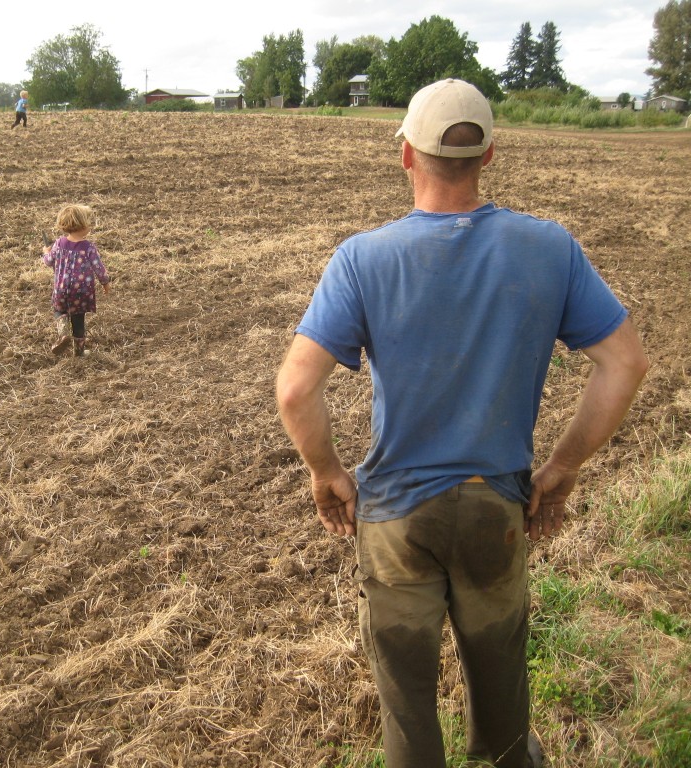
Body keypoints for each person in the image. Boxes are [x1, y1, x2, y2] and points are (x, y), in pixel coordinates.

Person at [275, 79, 648, 768]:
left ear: (406, 157)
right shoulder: (550, 249)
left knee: (409, 712)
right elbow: (624, 364)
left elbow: (297, 388)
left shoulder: (363, 258)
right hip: (496, 507)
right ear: (490, 155)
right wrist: (560, 470)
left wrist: (327, 473)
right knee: (505, 705)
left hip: (394, 519)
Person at [42, 204, 112, 357]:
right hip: (81, 293)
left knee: (59, 311)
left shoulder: (59, 244)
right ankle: (79, 352)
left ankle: (63, 333)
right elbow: (99, 268)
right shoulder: (88, 247)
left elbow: (48, 262)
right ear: (82, 225)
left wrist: (46, 252)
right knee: (78, 320)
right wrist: (105, 282)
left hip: (61, 289)